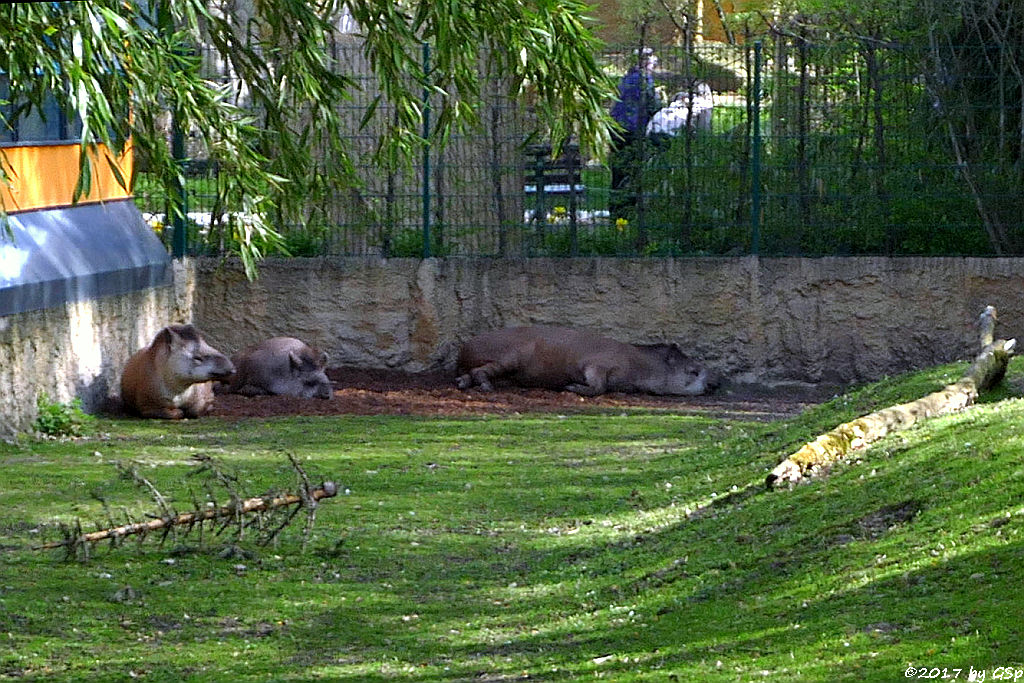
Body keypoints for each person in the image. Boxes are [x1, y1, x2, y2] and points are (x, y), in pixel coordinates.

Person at [609, 48, 662, 219]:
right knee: (632, 172)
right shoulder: (644, 80)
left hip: (616, 129)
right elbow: (652, 106)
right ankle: (628, 212)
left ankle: (615, 210)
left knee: (617, 171)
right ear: (647, 62)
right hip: (633, 132)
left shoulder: (625, 79)